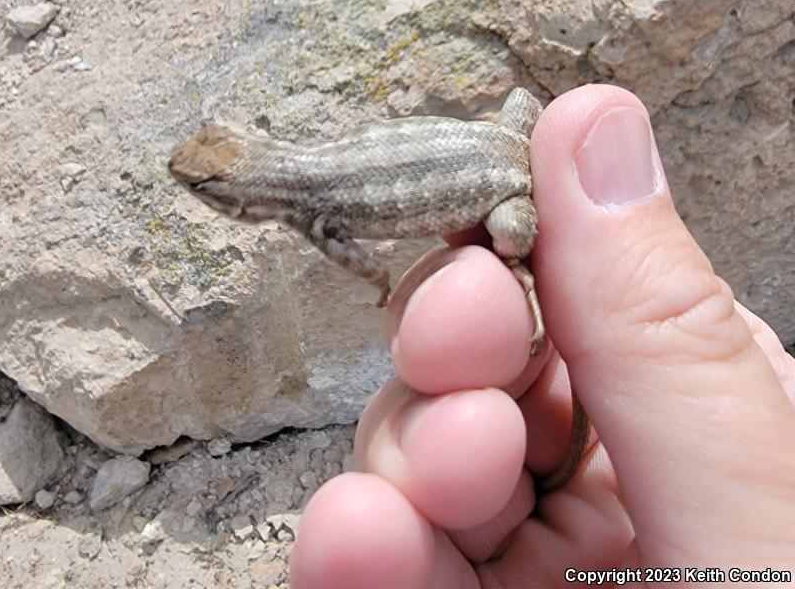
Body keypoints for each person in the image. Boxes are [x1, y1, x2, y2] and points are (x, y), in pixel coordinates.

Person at [289, 84, 795, 587]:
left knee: (478, 304)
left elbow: (370, 267)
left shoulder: (309, 206)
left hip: (505, 198)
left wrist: (387, 283)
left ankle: (520, 271)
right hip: (504, 156)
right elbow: (523, 99)